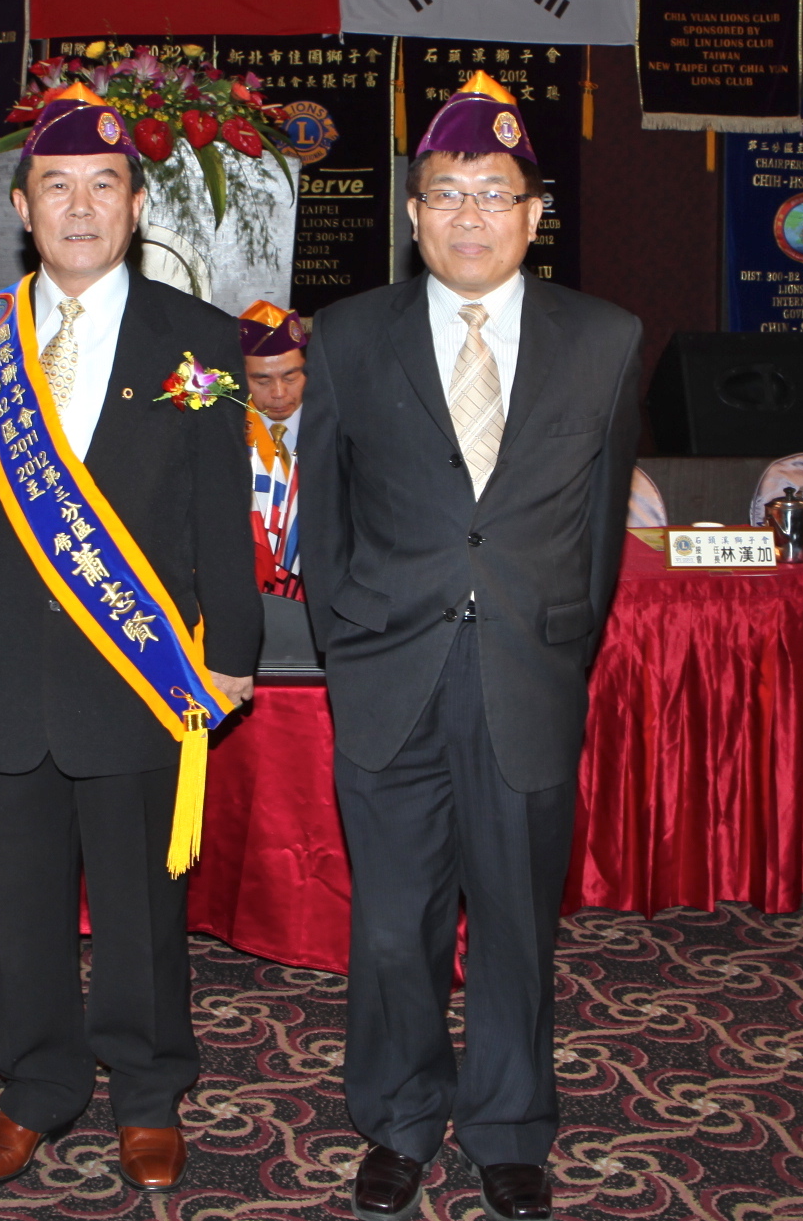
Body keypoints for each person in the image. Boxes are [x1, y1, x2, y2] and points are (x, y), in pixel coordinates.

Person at [299, 72, 643, 1221]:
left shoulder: (606, 339)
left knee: (515, 920)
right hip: (388, 672)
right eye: (446, 193)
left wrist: (561, 641)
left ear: (534, 214)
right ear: (412, 213)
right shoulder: (349, 335)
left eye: (495, 194)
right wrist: (352, 642)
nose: (469, 215)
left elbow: (599, 530)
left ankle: (508, 1126)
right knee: (394, 924)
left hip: (527, 674)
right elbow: (324, 518)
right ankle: (399, 1117)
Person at [0, 84, 261, 1194]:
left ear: (136, 203)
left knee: (139, 905)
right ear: (22, 207)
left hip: (139, 671)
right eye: (55, 186)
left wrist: (233, 649)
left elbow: (221, 511)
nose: (78, 206)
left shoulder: (199, 340)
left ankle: (148, 1091)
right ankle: (35, 1086)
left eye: (102, 184)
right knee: (23, 904)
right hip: (9, 663)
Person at [240, 300, 308, 602]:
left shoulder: (338, 430)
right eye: (262, 380)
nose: (279, 393)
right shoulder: (225, 436)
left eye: (291, 377)